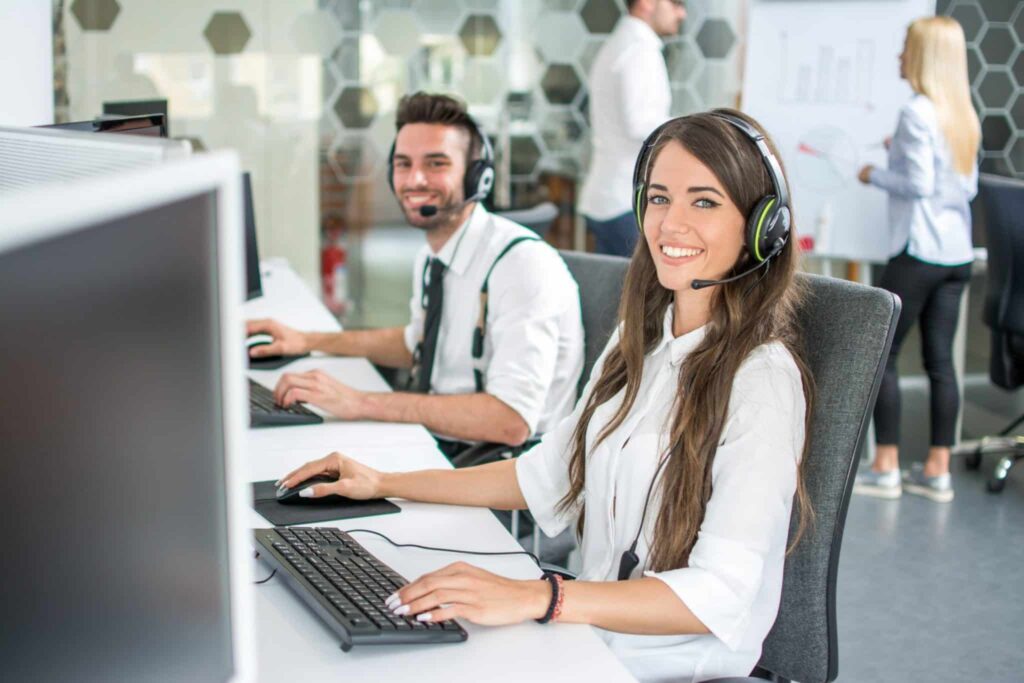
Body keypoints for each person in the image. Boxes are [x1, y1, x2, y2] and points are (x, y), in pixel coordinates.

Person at [276, 110, 814, 682]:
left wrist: (542, 598)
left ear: (762, 228)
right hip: (586, 634)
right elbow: (545, 475)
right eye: (659, 198)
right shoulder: (640, 345)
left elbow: (718, 593)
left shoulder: (762, 383)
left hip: (665, 665)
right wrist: (382, 483)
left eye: (703, 202)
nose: (670, 224)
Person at [248, 93, 584, 459]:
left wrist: (360, 402)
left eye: (436, 163)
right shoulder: (434, 254)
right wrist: (306, 339)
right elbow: (418, 343)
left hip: (495, 470)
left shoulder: (521, 267)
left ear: (477, 176)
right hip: (442, 443)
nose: (415, 179)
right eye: (403, 164)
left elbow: (510, 420)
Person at [853, 16, 980, 503]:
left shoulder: (916, 112)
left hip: (919, 252)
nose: (899, 57)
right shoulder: (961, 113)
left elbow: (919, 185)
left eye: (906, 48)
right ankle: (937, 471)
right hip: (956, 253)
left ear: (923, 57)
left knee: (883, 355)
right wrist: (901, 155)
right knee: (940, 362)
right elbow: (960, 186)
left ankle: (885, 466)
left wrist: (874, 173)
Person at [578, 0, 686, 257]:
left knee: (613, 290)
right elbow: (640, 123)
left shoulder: (621, 44)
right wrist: (693, 131)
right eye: (675, 3)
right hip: (624, 201)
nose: (682, 13)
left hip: (611, 196)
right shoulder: (639, 51)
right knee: (639, 294)